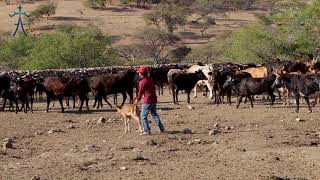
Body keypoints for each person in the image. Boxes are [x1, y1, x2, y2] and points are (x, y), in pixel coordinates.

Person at [134, 66, 165, 135]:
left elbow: (140, 92)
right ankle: (161, 128)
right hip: (153, 99)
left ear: (141, 74)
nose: (138, 74)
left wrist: (137, 100)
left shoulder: (142, 82)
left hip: (148, 100)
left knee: (143, 115)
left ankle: (147, 130)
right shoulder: (150, 79)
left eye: (139, 73)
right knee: (154, 114)